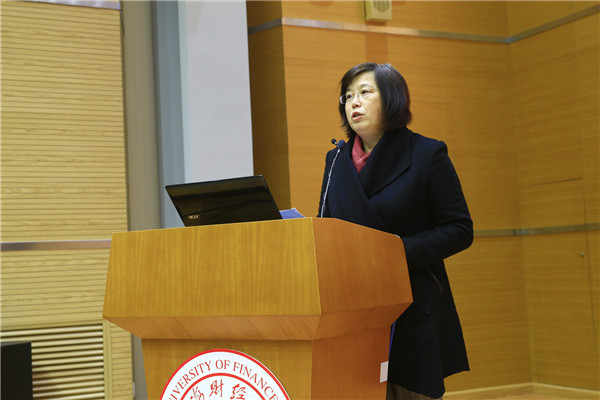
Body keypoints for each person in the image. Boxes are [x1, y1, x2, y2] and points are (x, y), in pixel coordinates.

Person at [318, 62, 473, 400]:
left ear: (391, 98)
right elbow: (326, 227)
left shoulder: (426, 153)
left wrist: (393, 253)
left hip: (411, 303)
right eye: (348, 96)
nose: (354, 102)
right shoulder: (336, 160)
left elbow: (460, 229)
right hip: (352, 308)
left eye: (365, 92)